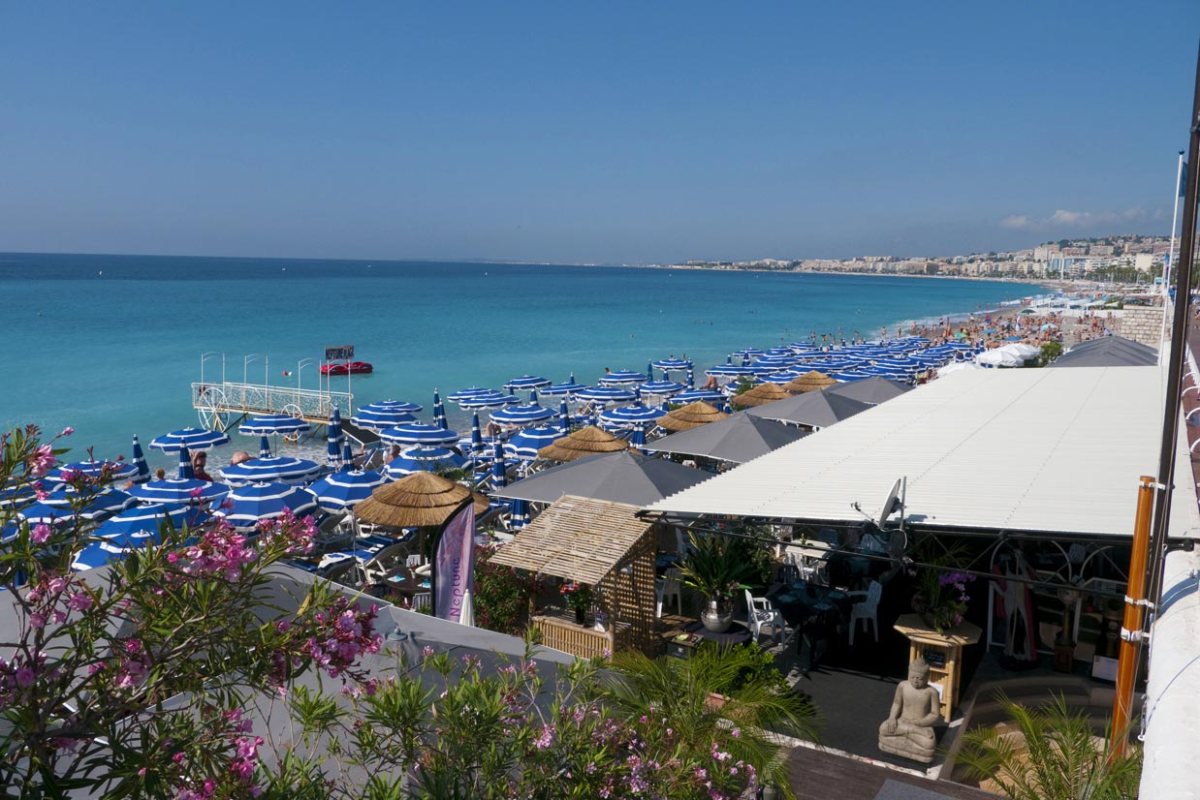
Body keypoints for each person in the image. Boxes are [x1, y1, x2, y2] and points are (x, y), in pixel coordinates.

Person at [878, 658, 941, 763]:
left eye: (919, 678)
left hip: (921, 724)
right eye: (912, 677)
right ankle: (913, 731)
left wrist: (920, 723)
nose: (915, 681)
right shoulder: (903, 686)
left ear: (926, 678)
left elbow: (934, 714)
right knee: (883, 729)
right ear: (908, 675)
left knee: (929, 743)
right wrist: (892, 718)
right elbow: (897, 703)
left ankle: (908, 732)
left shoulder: (931, 692)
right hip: (903, 721)